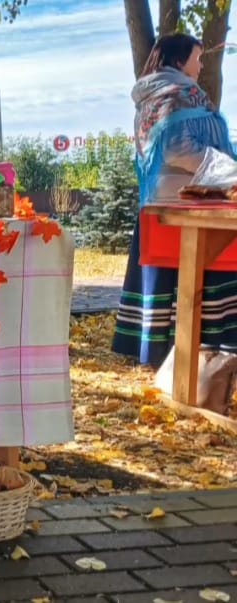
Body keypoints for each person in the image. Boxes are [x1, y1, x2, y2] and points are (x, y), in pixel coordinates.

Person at [112, 32, 236, 367]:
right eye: (197, 57)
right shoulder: (179, 92)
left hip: (160, 200)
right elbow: (178, 148)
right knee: (201, 275)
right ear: (179, 60)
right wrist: (227, 169)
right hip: (188, 201)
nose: (200, 64)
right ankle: (207, 349)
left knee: (169, 280)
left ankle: (162, 352)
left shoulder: (151, 95)